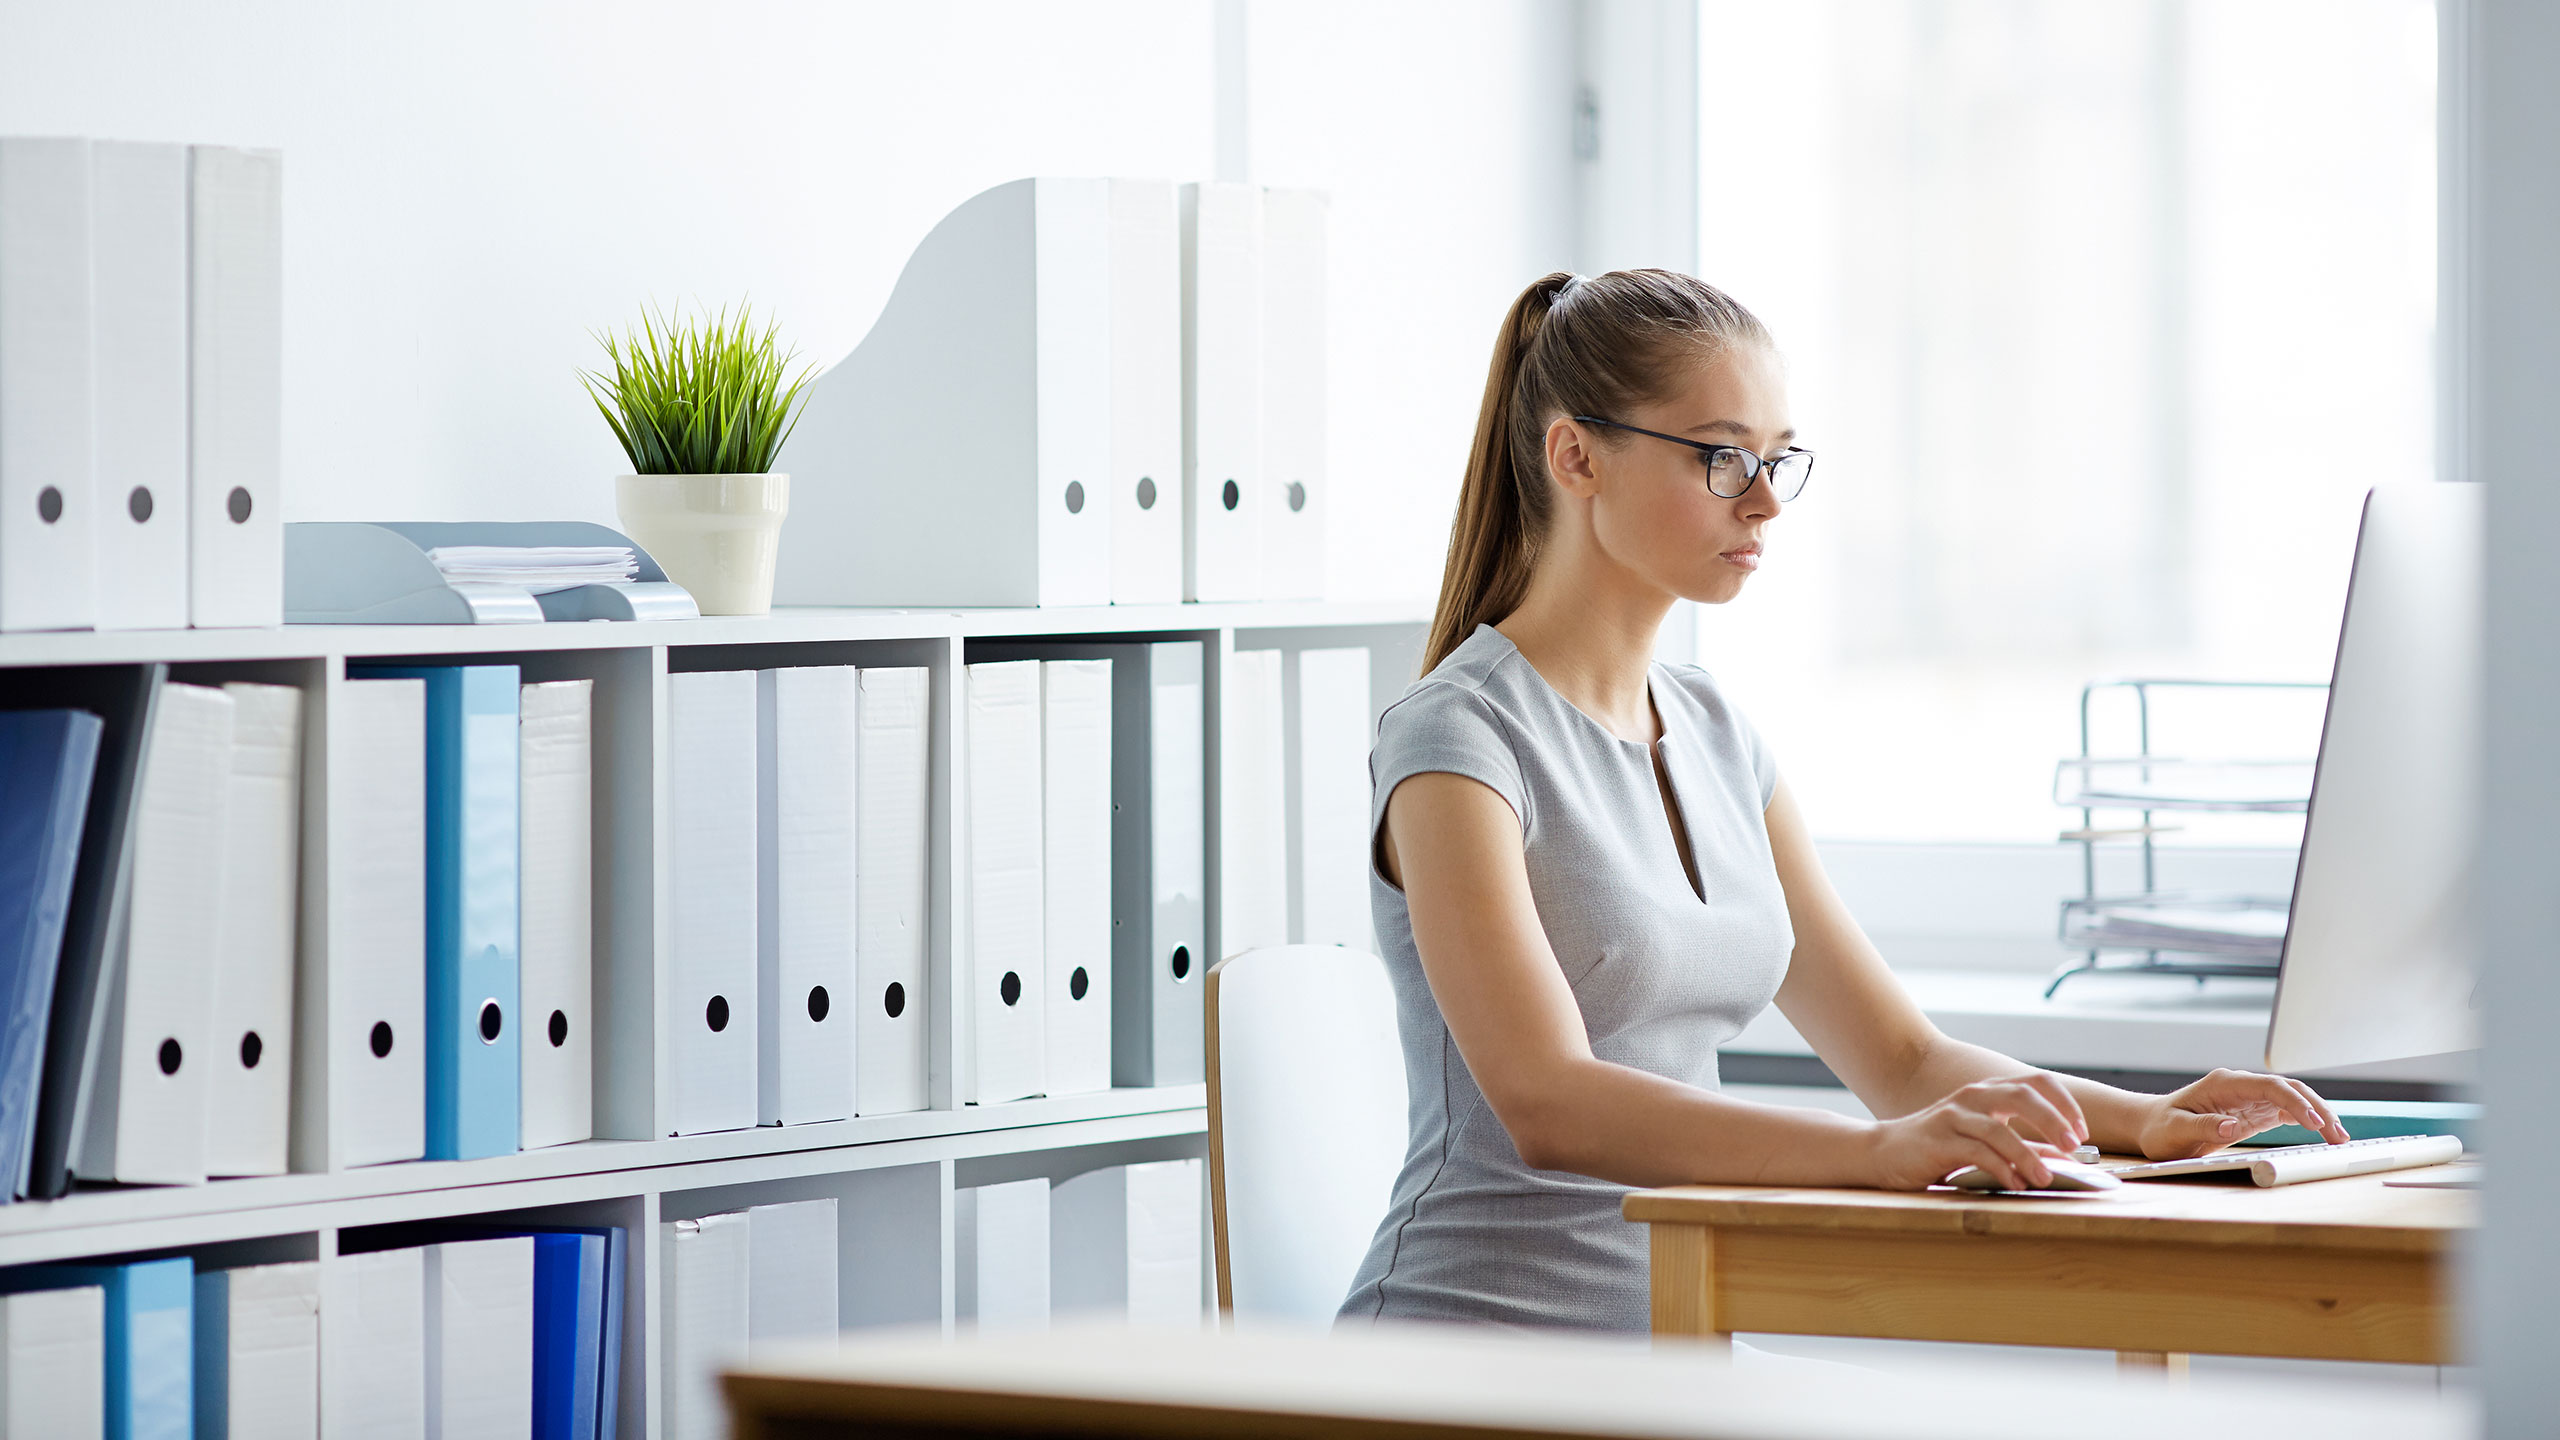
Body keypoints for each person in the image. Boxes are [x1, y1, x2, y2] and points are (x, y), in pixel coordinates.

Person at [1337, 269, 2348, 1333]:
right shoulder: (1457, 739)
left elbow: (1903, 1062)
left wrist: (2142, 1122)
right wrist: (1874, 1154)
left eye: (1776, 460)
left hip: (1674, 1341)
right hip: (1468, 1347)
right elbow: (1547, 1101)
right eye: (1721, 457)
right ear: (1574, 454)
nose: (1764, 499)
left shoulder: (1717, 734)